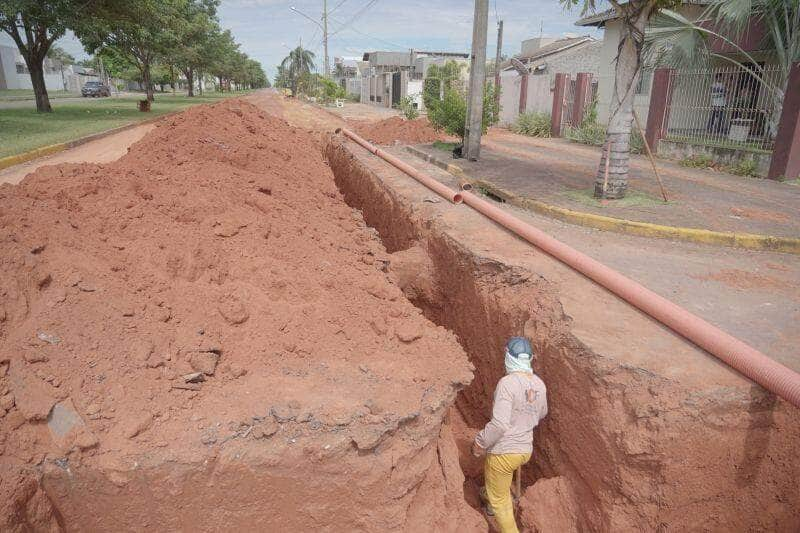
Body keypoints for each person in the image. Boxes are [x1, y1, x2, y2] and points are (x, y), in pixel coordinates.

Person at [472, 337, 548, 533]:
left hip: (504, 453)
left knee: (501, 502)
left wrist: (480, 442)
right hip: (524, 450)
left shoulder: (507, 383)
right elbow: (542, 413)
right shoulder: (539, 384)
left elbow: (499, 424)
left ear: (509, 357)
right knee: (498, 484)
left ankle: (495, 506)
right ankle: (488, 498)